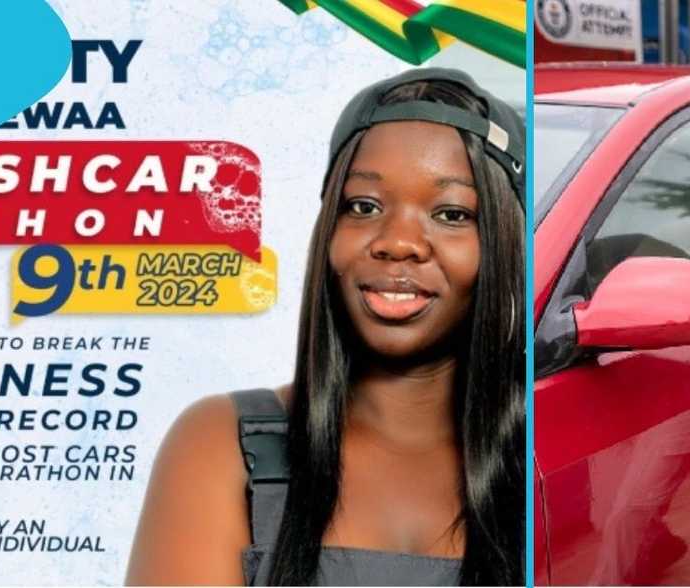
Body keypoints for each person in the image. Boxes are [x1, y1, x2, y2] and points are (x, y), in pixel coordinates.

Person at [124, 68, 525, 586]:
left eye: (450, 213)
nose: (398, 241)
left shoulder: (543, 458)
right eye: (363, 206)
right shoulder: (221, 446)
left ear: (501, 242)